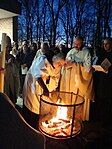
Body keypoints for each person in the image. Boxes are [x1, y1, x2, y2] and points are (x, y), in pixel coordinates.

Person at [23, 52, 65, 129]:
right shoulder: (42, 60)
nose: (60, 66)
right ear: (54, 59)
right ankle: (30, 125)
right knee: (33, 105)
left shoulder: (58, 66)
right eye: (59, 64)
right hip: (34, 84)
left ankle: (39, 123)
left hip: (46, 87)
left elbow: (56, 78)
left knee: (42, 106)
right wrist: (45, 90)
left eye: (62, 65)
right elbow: (38, 76)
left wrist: (55, 90)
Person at [60, 36, 94, 121]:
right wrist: (65, 64)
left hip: (80, 80)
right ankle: (69, 114)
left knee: (78, 98)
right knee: (70, 97)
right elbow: (65, 64)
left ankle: (78, 117)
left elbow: (88, 68)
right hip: (69, 79)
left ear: (82, 43)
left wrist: (77, 64)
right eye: (75, 43)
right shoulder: (71, 51)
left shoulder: (86, 52)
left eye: (78, 44)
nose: (76, 46)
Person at [93, 37, 112, 124]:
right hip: (101, 81)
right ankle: (99, 118)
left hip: (109, 82)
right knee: (100, 99)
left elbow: (105, 66)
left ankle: (106, 120)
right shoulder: (103, 54)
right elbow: (98, 65)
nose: (104, 46)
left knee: (107, 101)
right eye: (103, 44)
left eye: (106, 44)